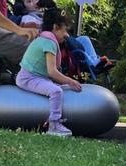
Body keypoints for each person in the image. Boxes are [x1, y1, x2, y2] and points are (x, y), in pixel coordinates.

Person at [15, 7, 81, 137]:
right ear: (56, 27)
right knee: (56, 91)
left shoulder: (44, 38)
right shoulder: (49, 42)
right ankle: (54, 124)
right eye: (65, 30)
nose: (67, 35)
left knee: (59, 88)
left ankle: (55, 123)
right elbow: (52, 72)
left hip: (34, 77)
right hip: (28, 78)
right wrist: (70, 80)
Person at [12, 0, 112, 71]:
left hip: (61, 37)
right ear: (24, 8)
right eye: (29, 1)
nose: (34, 2)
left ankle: (94, 61)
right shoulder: (27, 18)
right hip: (50, 43)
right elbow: (33, 31)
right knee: (69, 40)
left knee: (84, 39)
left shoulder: (46, 13)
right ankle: (90, 64)